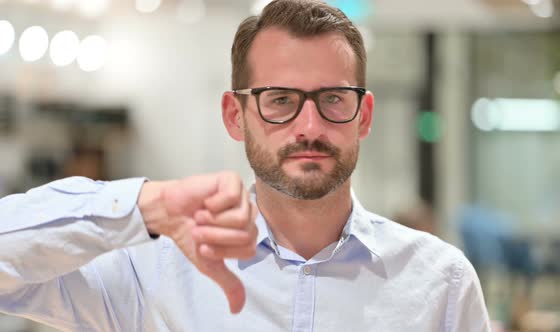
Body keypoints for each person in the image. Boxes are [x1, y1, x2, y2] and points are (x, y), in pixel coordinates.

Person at [0, 0, 491, 331]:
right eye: (280, 100)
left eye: (333, 99)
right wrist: (144, 205)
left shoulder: (440, 283)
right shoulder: (148, 269)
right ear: (236, 116)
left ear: (363, 115)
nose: (309, 126)